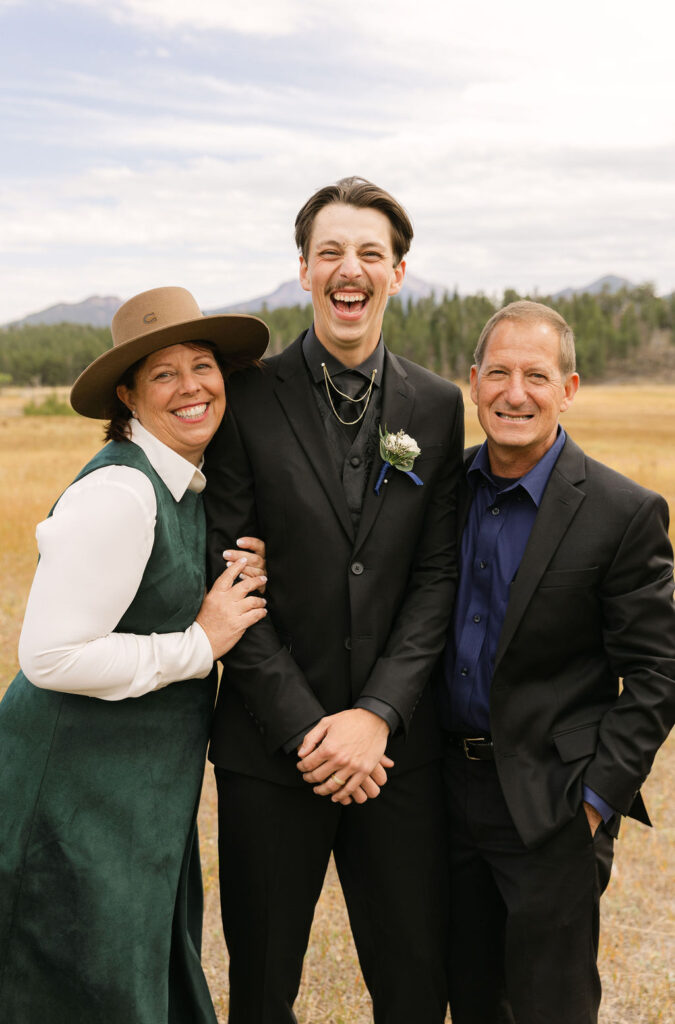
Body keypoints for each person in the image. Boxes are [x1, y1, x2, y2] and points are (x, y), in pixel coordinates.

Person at [203, 177, 465, 1023]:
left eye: (368, 253)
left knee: (414, 987)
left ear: (397, 271)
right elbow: (228, 574)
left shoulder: (437, 405)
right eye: (329, 253)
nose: (348, 269)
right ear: (304, 270)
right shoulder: (243, 398)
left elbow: (437, 577)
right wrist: (310, 731)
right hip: (272, 752)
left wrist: (377, 715)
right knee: (263, 991)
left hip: (398, 756)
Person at [0, 286, 270, 1024]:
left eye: (203, 365)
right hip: (68, 794)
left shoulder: (184, 483)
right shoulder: (122, 489)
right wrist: (199, 644)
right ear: (128, 395)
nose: (191, 387)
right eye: (163, 373)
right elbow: (50, 655)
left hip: (130, 795)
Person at [439, 299, 675, 1024]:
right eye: (500, 373)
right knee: (470, 997)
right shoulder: (437, 495)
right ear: (473, 383)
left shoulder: (620, 511)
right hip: (440, 796)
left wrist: (596, 800)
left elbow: (659, 670)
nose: (516, 393)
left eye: (536, 375)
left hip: (552, 801)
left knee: (551, 1005)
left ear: (567, 390)